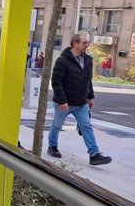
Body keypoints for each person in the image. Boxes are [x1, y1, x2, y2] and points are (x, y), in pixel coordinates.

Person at [47, 33, 112, 166]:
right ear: (74, 43)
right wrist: (62, 100)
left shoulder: (88, 60)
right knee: (56, 126)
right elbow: (56, 82)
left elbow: (88, 80)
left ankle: (94, 155)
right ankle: (52, 146)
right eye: (84, 43)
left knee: (86, 126)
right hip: (64, 102)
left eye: (87, 42)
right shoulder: (62, 61)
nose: (86, 45)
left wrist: (90, 96)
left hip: (81, 102)